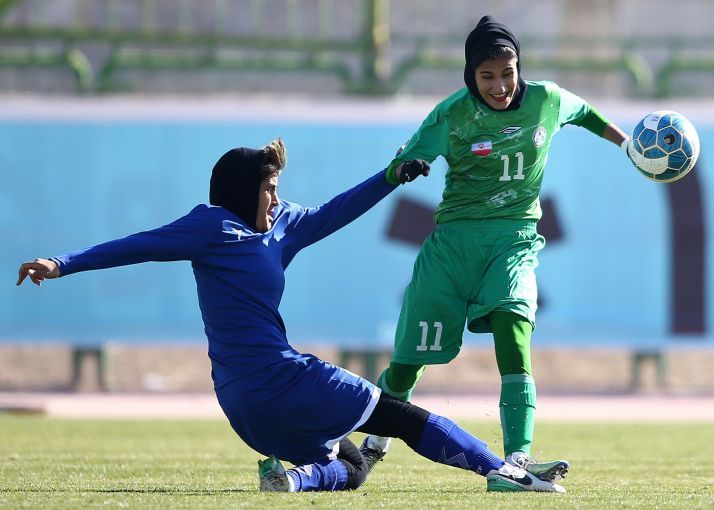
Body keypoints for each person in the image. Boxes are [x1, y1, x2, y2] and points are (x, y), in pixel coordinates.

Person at [17, 139, 565, 493]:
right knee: (400, 417)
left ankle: (294, 480)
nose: (276, 199)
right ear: (241, 191)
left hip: (242, 407)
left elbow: (337, 211)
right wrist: (63, 263)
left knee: (353, 468)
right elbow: (136, 245)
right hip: (283, 379)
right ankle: (503, 471)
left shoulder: (282, 226)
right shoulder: (211, 225)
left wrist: (391, 176)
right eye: (268, 188)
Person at [361, 15, 631, 490]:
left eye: (508, 73)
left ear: (519, 66)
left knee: (514, 326)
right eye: (487, 76)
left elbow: (585, 112)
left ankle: (517, 458)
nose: (500, 86)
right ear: (471, 74)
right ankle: (375, 441)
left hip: (514, 239)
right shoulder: (453, 114)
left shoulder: (547, 99)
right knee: (406, 363)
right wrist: (409, 165)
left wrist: (627, 143)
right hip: (452, 247)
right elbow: (405, 158)